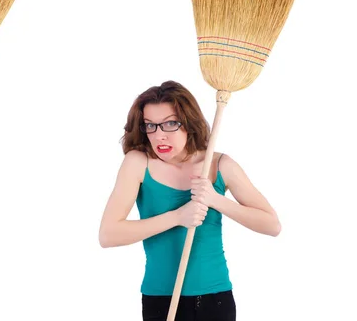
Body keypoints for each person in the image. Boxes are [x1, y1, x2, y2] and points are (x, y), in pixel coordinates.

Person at [98, 80, 281, 321]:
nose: (159, 135)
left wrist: (216, 200)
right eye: (150, 126)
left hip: (215, 298)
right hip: (160, 299)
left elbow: (272, 225)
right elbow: (108, 234)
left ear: (189, 124)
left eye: (170, 124)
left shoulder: (218, 165)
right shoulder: (138, 163)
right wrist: (177, 217)